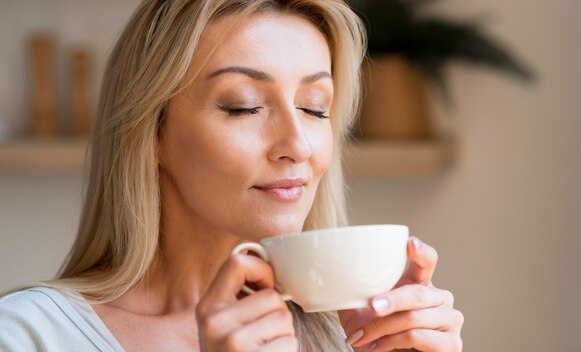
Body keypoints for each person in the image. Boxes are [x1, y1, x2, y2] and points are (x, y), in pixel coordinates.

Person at [0, 0, 464, 351]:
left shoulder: (357, 336)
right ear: (152, 133)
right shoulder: (28, 335)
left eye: (314, 107)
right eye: (243, 105)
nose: (298, 145)